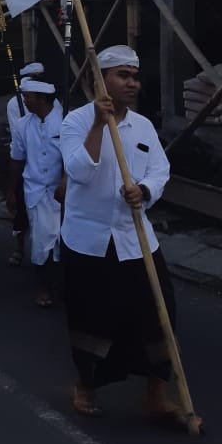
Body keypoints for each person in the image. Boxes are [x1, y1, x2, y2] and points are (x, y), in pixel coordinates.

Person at [60, 45, 179, 422]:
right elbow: (80, 171)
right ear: (102, 80)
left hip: (136, 238)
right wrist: (98, 123)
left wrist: (143, 191)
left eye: (134, 76)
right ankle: (86, 385)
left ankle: (156, 396)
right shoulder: (75, 122)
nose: (132, 83)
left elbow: (160, 170)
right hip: (89, 242)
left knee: (159, 314)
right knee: (93, 318)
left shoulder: (142, 127)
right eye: (122, 76)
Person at [7, 79, 64, 307]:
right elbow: (16, 160)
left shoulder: (65, 122)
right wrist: (11, 192)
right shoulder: (23, 125)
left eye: (28, 97)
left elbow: (74, 158)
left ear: (41, 99)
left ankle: (61, 284)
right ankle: (44, 286)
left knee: (62, 241)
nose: (24, 100)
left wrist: (65, 181)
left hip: (62, 192)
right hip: (36, 191)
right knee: (41, 241)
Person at [6, 61, 45, 265]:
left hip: (47, 160)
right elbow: (18, 135)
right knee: (21, 206)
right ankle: (20, 247)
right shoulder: (16, 104)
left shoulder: (51, 102)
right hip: (26, 159)